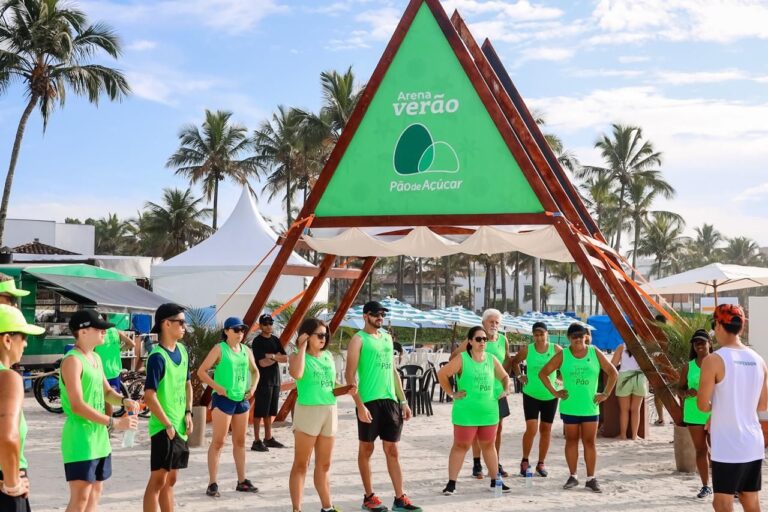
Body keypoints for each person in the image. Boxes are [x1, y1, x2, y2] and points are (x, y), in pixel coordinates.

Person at [345, 301, 421, 512]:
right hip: (368, 401)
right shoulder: (358, 340)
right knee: (366, 449)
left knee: (392, 450)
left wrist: (403, 401)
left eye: (382, 314)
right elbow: (349, 375)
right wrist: (359, 405)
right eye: (376, 314)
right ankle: (369, 497)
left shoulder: (387, 338)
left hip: (391, 402)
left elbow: (393, 372)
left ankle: (399, 498)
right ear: (365, 316)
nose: (380, 317)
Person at [60, 309, 139, 512]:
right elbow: (77, 405)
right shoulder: (72, 361)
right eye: (100, 329)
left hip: (99, 437)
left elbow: (106, 392)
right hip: (80, 436)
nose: (104, 332)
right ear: (83, 331)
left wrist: (124, 401)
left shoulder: (95, 357)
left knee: (95, 493)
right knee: (81, 497)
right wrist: (114, 423)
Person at [698, 304, 767, 512]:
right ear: (741, 327)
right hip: (753, 442)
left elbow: (702, 405)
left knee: (721, 502)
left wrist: (718, 412)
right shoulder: (758, 360)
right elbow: (763, 405)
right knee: (750, 498)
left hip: (728, 444)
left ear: (718, 325)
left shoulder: (714, 360)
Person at [539, 323, 617, 493]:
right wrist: (554, 391)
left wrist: (606, 394)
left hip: (590, 407)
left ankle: (591, 478)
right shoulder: (563, 355)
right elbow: (543, 373)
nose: (578, 339)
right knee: (571, 440)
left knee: (590, 442)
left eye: (581, 336)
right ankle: (573, 476)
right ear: (569, 338)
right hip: (570, 406)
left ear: (586, 336)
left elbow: (613, 372)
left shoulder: (594, 351)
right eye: (574, 336)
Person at [438, 325, 511, 496]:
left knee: (488, 445)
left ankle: (495, 480)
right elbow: (442, 374)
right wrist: (451, 393)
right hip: (466, 412)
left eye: (484, 339)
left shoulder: (491, 358)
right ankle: (451, 483)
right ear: (470, 341)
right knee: (461, 446)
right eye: (478, 339)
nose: (482, 342)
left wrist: (506, 388)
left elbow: (505, 376)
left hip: (489, 411)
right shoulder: (462, 358)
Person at [197, 316, 260, 497]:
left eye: (242, 330)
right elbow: (202, 371)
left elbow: (255, 371)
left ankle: (242, 481)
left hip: (241, 399)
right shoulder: (220, 349)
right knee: (219, 441)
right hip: (223, 399)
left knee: (240, 442)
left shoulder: (246, 350)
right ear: (226, 331)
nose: (240, 333)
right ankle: (212, 483)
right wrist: (218, 388)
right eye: (236, 329)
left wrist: (253, 387)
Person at [289, 318, 347, 512]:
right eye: (320, 335)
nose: (324, 338)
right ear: (307, 335)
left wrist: (348, 389)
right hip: (308, 411)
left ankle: (327, 507)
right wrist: (302, 347)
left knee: (324, 465)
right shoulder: (297, 356)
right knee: (301, 464)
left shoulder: (328, 356)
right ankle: (297, 509)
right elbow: (297, 374)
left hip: (329, 410)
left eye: (326, 335)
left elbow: (332, 385)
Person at [143, 303, 193, 512]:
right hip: (164, 427)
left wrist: (189, 412)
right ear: (165, 324)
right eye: (180, 322)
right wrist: (167, 424)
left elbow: (187, 384)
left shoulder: (182, 350)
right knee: (157, 480)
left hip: (180, 424)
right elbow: (149, 395)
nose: (184, 326)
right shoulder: (157, 356)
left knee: (171, 479)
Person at [450, 308, 510, 478]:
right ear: (483, 323)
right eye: (491, 321)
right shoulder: (477, 339)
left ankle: (495, 463)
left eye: (497, 322)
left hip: (496, 392)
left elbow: (506, 360)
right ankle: (477, 463)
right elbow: (455, 356)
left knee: (496, 430)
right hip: (475, 393)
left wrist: (508, 381)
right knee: (476, 429)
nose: (494, 325)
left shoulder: (503, 340)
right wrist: (458, 382)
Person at [0, 304, 45, 512]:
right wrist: (12, 483)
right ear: (7, 340)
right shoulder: (8, 377)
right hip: (6, 487)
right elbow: (7, 436)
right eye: (23, 337)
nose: (26, 344)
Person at [510, 321, 561, 477]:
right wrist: (519, 376)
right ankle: (525, 461)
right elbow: (514, 361)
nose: (539, 337)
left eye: (542, 334)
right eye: (536, 334)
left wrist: (560, 378)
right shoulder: (528, 349)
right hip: (531, 394)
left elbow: (566, 365)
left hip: (550, 395)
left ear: (547, 334)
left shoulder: (556, 349)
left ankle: (541, 463)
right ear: (533, 335)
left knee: (546, 430)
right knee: (531, 429)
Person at [677, 329, 713, 499]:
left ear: (709, 343)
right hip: (693, 413)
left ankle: (725, 485)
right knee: (701, 450)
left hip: (715, 412)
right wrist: (686, 393)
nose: (699, 345)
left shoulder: (717, 363)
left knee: (720, 450)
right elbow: (679, 389)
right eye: (696, 342)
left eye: (702, 342)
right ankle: (706, 486)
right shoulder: (688, 366)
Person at [251, 313, 288, 452]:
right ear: (260, 326)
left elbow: (285, 358)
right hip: (263, 381)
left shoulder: (275, 340)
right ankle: (256, 440)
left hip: (275, 380)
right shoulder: (257, 342)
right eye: (265, 323)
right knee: (260, 411)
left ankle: (268, 437)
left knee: (270, 411)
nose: (269, 326)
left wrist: (271, 356)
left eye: (270, 323)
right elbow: (262, 363)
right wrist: (275, 357)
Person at [95, 318, 137, 418]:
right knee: (108, 401)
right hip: (115, 371)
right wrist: (119, 350)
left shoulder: (98, 334)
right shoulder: (116, 331)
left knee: (98, 400)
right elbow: (132, 344)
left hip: (100, 370)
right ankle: (108, 425)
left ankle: (102, 423)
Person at [610, 341, 647, 440]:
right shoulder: (643, 347)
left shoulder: (621, 347)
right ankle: (635, 435)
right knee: (636, 409)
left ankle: (623, 435)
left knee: (624, 410)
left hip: (624, 377)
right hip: (639, 377)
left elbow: (613, 364)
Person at [652, 313, 667, 425]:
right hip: (662, 368)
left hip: (664, 368)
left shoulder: (664, 336)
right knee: (659, 395)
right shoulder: (654, 336)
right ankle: (661, 418)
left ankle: (661, 418)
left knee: (659, 395)